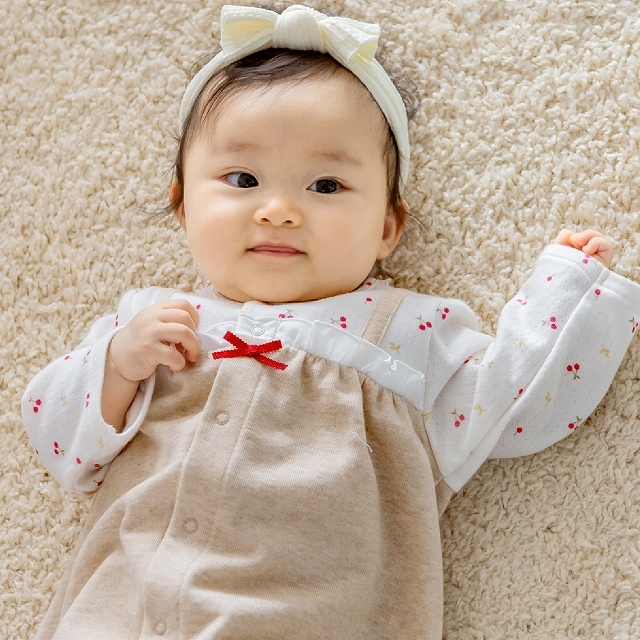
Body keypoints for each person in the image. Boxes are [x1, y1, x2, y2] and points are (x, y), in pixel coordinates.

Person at [22, 4, 640, 640]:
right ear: (182, 207)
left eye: (325, 186)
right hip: (113, 615)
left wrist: (567, 293)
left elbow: (512, 403)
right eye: (242, 178)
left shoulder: (405, 334)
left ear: (388, 228)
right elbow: (60, 444)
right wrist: (117, 366)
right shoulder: (150, 324)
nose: (278, 210)